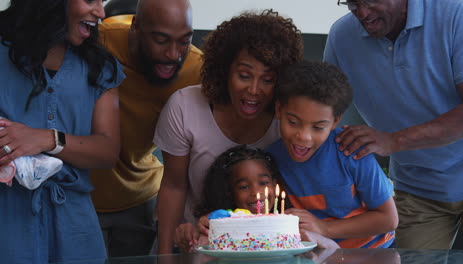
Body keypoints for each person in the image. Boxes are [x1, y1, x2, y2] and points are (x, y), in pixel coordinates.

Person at [154, 9, 304, 254]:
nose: (254, 90)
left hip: (266, 248)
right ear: (224, 70)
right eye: (244, 75)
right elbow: (173, 186)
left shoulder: (287, 120)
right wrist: (165, 256)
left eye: (267, 79)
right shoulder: (184, 107)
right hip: (197, 245)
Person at [324, 0, 463, 249]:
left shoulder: (458, 13)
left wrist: (393, 141)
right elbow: (319, 110)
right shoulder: (341, 36)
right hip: (417, 188)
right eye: (352, 3)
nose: (362, 13)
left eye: (371, 1)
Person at [0, 0, 124, 262]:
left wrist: (47, 139)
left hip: (75, 228)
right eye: (90, 0)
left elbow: (107, 150)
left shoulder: (100, 67)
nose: (101, 12)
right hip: (7, 222)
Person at [91, 0, 203, 257]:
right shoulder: (100, 42)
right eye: (161, 40)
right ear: (136, 27)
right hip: (81, 198)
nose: (173, 54)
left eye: (184, 40)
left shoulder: (198, 69)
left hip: (142, 198)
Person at [267, 60, 398, 248]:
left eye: (318, 127)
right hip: (318, 254)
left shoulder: (351, 150)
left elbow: (388, 219)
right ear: (279, 110)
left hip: (373, 251)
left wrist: (324, 228)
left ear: (335, 121)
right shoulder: (271, 159)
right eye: (293, 122)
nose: (303, 137)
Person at [174, 145, 339, 253]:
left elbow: (333, 251)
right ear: (230, 192)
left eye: (264, 183)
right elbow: (197, 250)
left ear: (275, 185)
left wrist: (314, 238)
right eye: (244, 187)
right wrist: (190, 237)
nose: (256, 193)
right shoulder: (221, 225)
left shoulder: (290, 224)